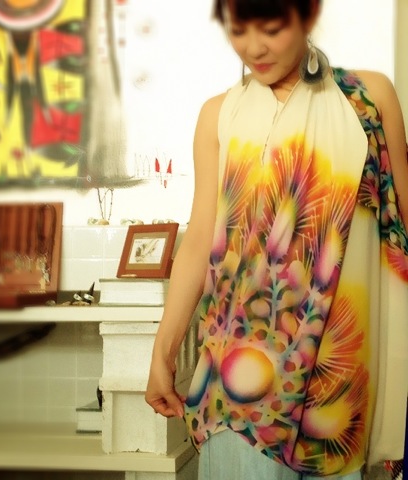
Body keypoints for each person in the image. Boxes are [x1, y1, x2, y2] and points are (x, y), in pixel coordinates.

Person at [145, 0, 408, 478]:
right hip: (236, 385)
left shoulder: (368, 100)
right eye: (239, 30)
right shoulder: (218, 116)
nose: (254, 48)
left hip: (337, 388)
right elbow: (200, 238)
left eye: (270, 29)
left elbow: (402, 231)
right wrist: (163, 351)